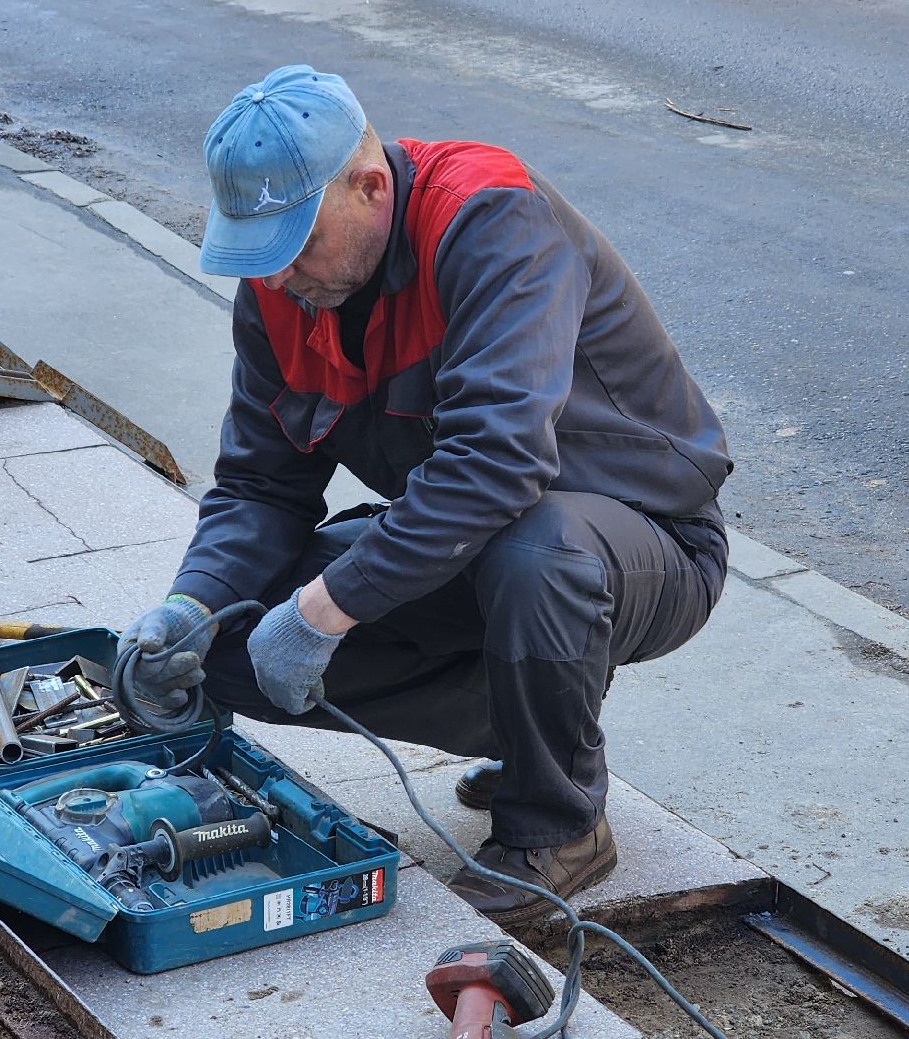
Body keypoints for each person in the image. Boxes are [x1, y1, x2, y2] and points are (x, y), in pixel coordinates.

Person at [118, 65, 732, 923]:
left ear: (371, 187)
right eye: (260, 253)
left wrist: (326, 612)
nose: (281, 276)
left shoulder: (493, 222)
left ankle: (558, 825)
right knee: (228, 641)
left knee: (537, 552)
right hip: (477, 541)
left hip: (641, 545)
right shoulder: (282, 290)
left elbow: (498, 463)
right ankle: (530, 729)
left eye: (297, 243)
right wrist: (192, 604)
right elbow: (261, 483)